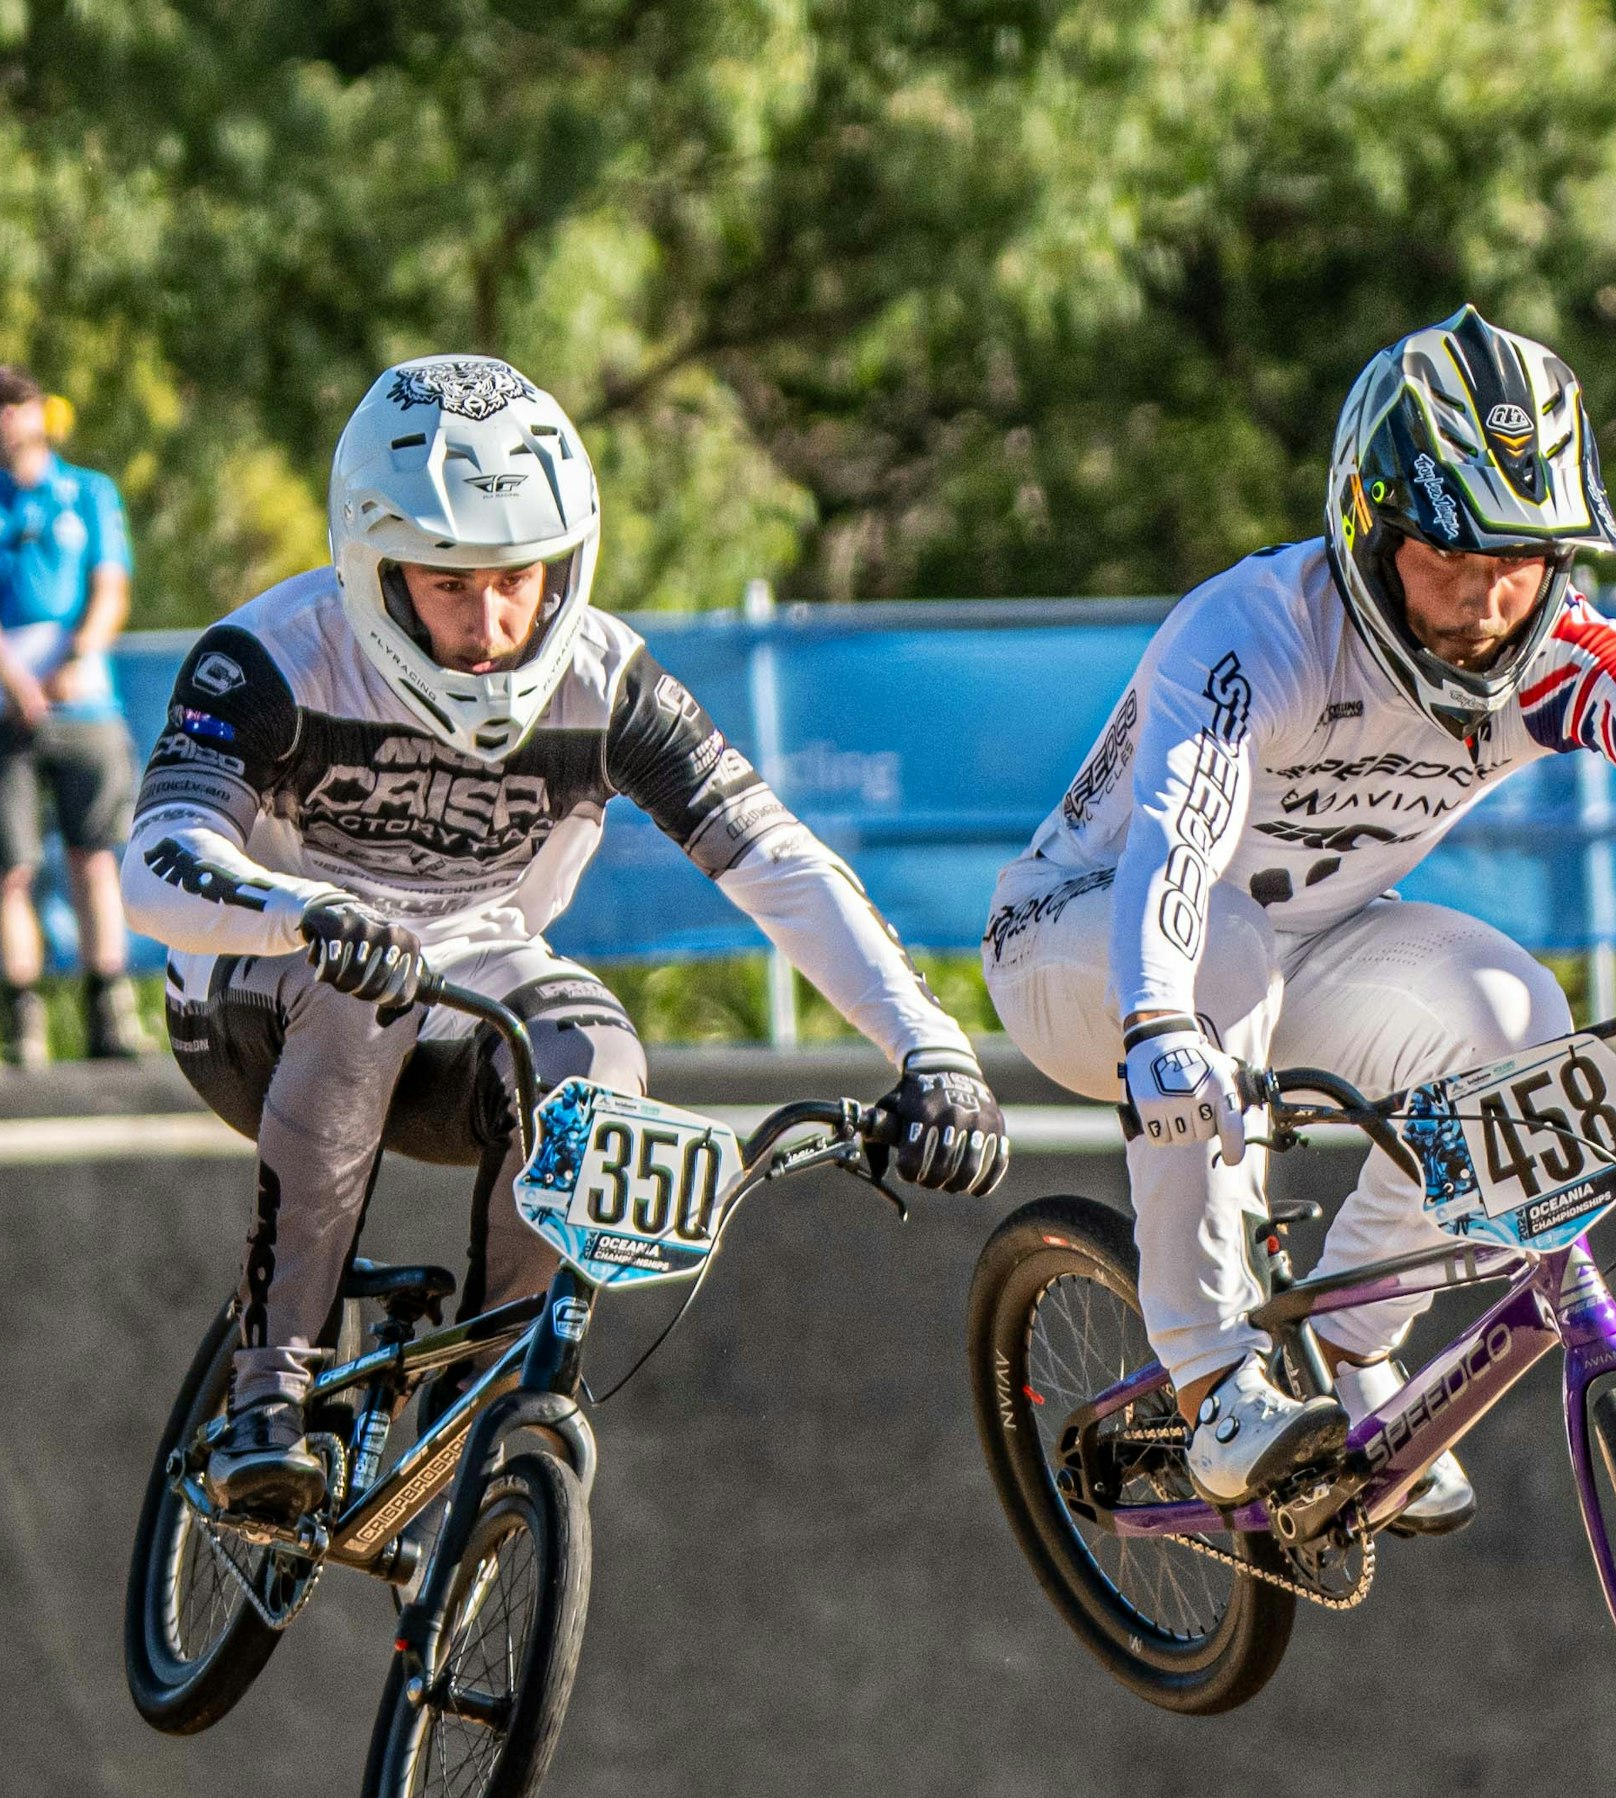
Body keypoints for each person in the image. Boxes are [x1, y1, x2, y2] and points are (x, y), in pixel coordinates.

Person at [125, 353, 1009, 1518]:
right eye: (448, 584)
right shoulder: (269, 657)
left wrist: (932, 1047)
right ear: (371, 565)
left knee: (604, 1060)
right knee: (356, 995)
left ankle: (491, 1397)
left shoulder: (608, 678)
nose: (492, 625)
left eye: (520, 580)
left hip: (468, 1000)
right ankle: (270, 1387)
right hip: (261, 996)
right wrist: (306, 915)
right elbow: (154, 859)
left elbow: (778, 861)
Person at [983, 306, 1616, 1526]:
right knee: (1216, 950)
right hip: (1089, 941)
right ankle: (1215, 1379)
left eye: (1523, 562)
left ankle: (1352, 1343)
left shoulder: (1549, 645)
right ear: (1368, 528)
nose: (1488, 604)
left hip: (1302, 943)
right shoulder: (1254, 631)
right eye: (1454, 559)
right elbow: (1180, 843)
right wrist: (1159, 1014)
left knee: (1515, 1014)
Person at [0, 364, 145, 1065]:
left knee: (94, 858)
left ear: (43, 411)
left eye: (17, 405)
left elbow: (111, 586)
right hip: (1, 707)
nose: (6, 420)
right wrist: (12, 676)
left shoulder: (88, 493)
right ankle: (21, 1022)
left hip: (84, 700)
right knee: (11, 867)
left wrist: (78, 654)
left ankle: (110, 1011)